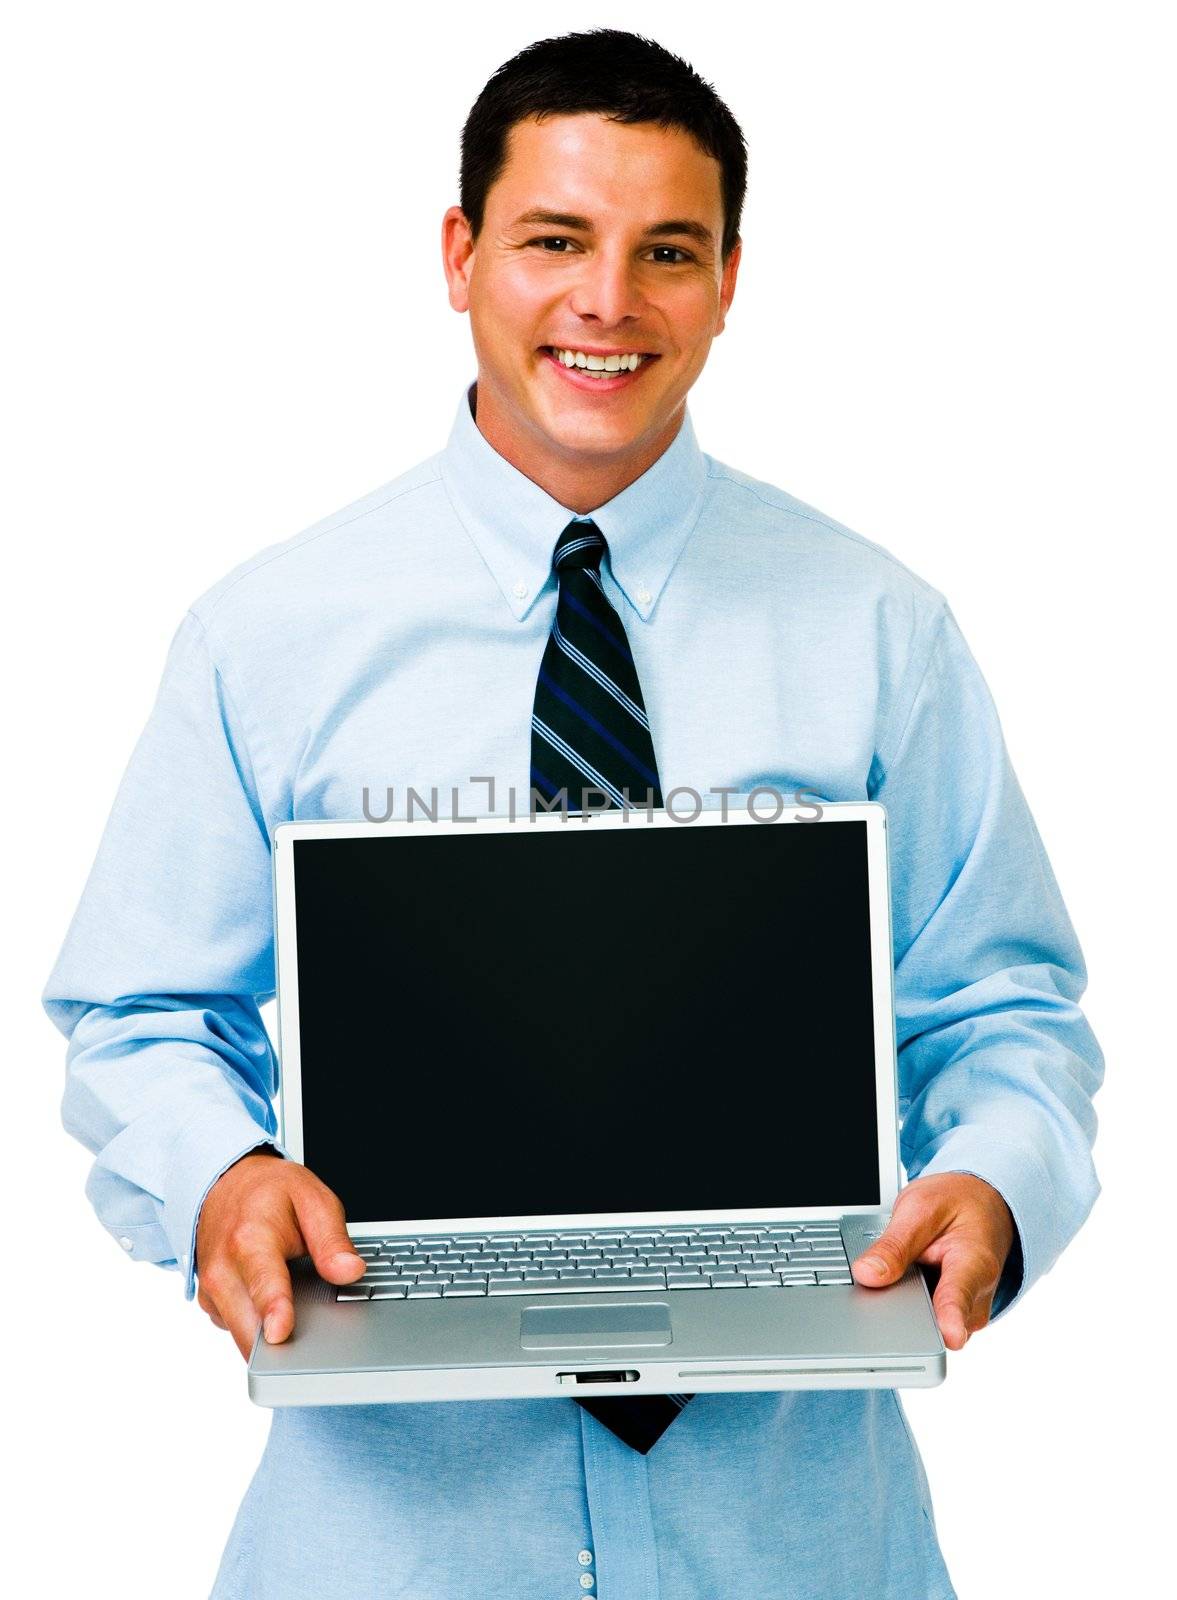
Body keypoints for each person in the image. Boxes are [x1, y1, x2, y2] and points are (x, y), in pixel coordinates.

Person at [43, 27, 1103, 1600]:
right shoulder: (267, 635)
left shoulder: (878, 628)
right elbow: (137, 1010)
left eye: (665, 251)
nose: (608, 299)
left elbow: (1007, 1004)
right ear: (460, 252)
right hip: (390, 1541)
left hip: (800, 1537)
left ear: (729, 279)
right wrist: (222, 1176)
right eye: (554, 239)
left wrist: (993, 1187)